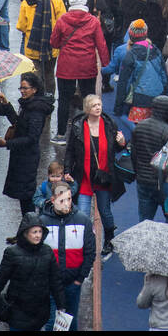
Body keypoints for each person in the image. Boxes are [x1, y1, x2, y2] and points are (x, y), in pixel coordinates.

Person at [64, 93, 126, 261]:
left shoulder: (108, 124)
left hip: (103, 176)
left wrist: (122, 143)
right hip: (84, 176)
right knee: (83, 213)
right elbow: (70, 150)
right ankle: (85, 244)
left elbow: (117, 150)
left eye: (99, 104)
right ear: (87, 109)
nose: (98, 108)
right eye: (94, 106)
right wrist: (67, 170)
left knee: (105, 211)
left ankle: (109, 240)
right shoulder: (78, 125)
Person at [0, 213, 65, 333]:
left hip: (39, 310)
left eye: (40, 232)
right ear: (25, 233)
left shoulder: (47, 252)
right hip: (18, 309)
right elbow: (0, 279)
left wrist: (61, 304)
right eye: (34, 232)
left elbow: (55, 281)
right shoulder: (12, 253)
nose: (38, 235)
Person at [51, 0, 109, 143]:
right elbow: (101, 45)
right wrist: (106, 65)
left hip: (66, 66)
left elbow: (54, 42)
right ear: (85, 1)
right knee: (88, 98)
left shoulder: (62, 20)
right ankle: (89, 131)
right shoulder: (93, 21)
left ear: (70, 1)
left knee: (63, 99)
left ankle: (61, 134)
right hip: (87, 66)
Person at [39, 180, 96, 331]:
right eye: (62, 200)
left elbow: (90, 252)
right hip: (50, 283)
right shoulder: (42, 222)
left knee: (70, 322)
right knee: (51, 323)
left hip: (72, 283)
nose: (67, 204)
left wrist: (79, 279)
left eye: (69, 199)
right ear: (53, 200)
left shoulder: (83, 220)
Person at [0, 73, 54, 220]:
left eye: (25, 88)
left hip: (27, 158)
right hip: (22, 156)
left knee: (26, 197)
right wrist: (7, 105)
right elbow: (19, 124)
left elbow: (32, 138)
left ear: (34, 89)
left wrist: (7, 143)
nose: (22, 91)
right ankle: (26, 229)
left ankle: (30, 228)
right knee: (24, 196)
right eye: (21, 87)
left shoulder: (35, 110)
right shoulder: (28, 105)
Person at [16, 0, 66, 95]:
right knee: (49, 74)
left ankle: (35, 99)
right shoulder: (57, 0)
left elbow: (21, 26)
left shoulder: (27, 2)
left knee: (34, 75)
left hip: (32, 46)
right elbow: (63, 24)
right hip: (52, 46)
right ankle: (49, 101)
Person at [130, 94, 168, 222]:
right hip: (162, 183)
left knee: (144, 220)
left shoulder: (139, 126)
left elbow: (133, 153)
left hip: (142, 180)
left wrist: (138, 172)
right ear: (165, 112)